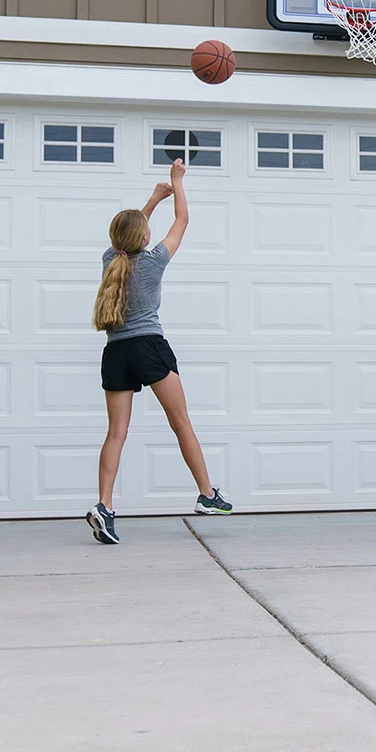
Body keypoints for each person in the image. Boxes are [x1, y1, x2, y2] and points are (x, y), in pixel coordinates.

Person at [85, 158, 231, 545]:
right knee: (181, 422)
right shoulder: (152, 262)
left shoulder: (109, 260)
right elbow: (181, 222)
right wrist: (176, 182)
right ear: (145, 237)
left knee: (116, 433)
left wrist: (151, 200)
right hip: (149, 347)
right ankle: (207, 495)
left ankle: (104, 505)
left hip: (115, 352)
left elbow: (127, 234)